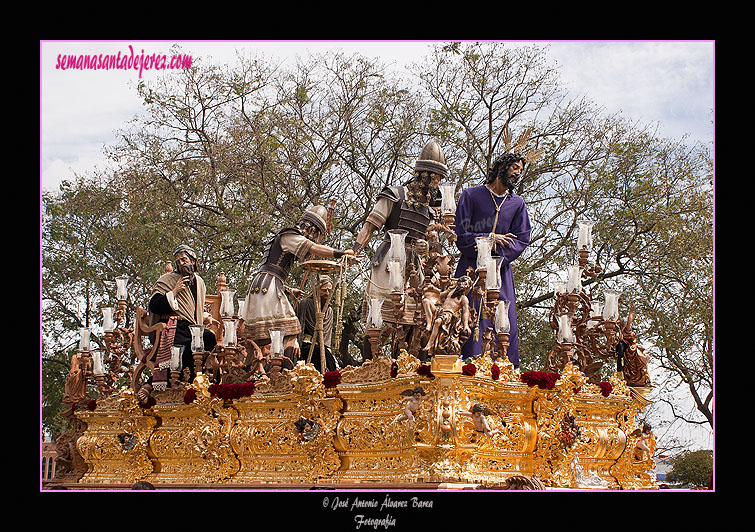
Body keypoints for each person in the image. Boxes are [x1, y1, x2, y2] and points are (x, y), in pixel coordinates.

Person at [351, 141, 447, 356]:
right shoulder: (394, 194)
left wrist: (427, 246)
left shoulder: (431, 208)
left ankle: (409, 370)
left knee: (417, 320)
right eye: (436, 177)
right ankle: (371, 366)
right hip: (388, 261)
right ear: (425, 175)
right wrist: (355, 250)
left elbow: (434, 244)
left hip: (415, 268)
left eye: (440, 178)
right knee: (379, 317)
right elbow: (370, 225)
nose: (439, 183)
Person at [243, 206, 354, 365]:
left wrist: (288, 290)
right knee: (292, 329)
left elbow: (274, 270)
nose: (314, 238)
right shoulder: (289, 235)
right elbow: (313, 248)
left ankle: (263, 369)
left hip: (266, 285)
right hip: (267, 286)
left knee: (266, 336)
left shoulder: (283, 239)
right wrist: (340, 253)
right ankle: (286, 373)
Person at [453, 152, 532, 368]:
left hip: (500, 272)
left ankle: (501, 373)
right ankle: (464, 370)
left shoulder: (517, 204)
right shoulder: (471, 195)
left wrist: (496, 258)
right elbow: (461, 235)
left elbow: (521, 238)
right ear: (500, 167)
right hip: (470, 269)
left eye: (520, 170)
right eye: (514, 167)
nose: (517, 173)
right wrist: (488, 240)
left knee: (504, 322)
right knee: (467, 316)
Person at [148, 244, 217, 388]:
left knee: (209, 338)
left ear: (193, 260)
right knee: (182, 346)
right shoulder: (167, 279)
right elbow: (154, 305)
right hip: (173, 325)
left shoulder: (199, 282)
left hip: (192, 326)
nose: (181, 263)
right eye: (178, 261)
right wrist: (174, 291)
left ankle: (194, 378)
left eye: (184, 259)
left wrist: (205, 316)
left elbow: (193, 308)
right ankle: (156, 383)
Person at [296, 275, 338, 373]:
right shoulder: (305, 303)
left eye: (329, 290)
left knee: (328, 358)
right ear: (316, 290)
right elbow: (297, 325)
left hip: (323, 348)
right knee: (318, 352)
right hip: (306, 345)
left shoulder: (330, 311)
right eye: (324, 290)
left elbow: (327, 336)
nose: (327, 293)